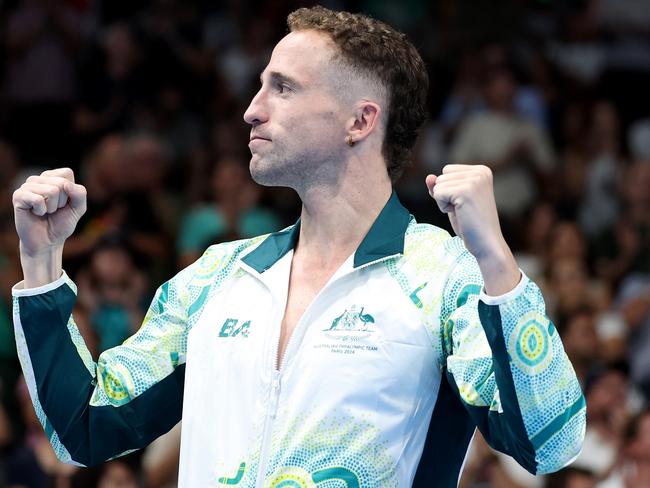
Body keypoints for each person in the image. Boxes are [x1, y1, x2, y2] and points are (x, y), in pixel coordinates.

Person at [11, 6, 585, 487]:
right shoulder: (216, 276)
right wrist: (41, 263)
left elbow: (550, 443)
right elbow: (82, 426)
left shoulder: (446, 280)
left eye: (281, 87)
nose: (252, 109)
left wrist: (498, 266)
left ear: (360, 121)